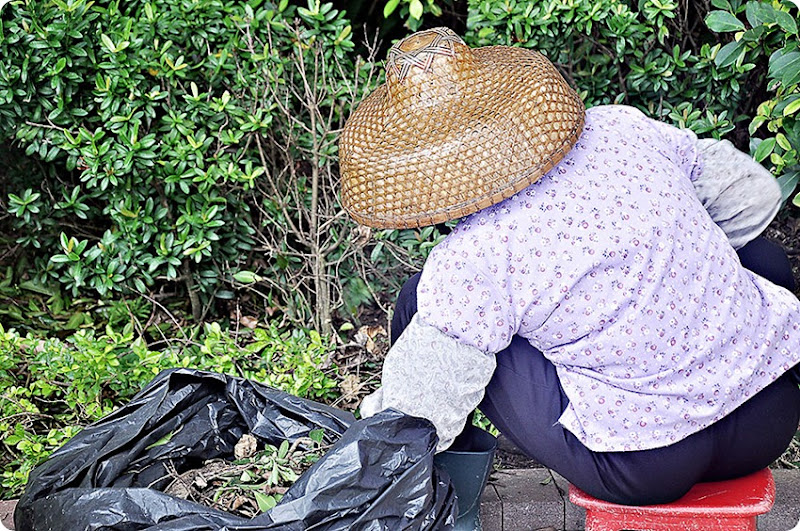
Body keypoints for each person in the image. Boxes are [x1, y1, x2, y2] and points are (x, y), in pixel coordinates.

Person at [338, 27, 800, 506]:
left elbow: (419, 411)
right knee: (761, 256)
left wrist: (368, 438)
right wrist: (664, 274)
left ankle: (443, 490)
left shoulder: (474, 255)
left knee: (425, 305)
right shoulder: (621, 128)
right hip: (768, 415)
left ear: (420, 170)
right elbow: (753, 195)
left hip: (647, 463)